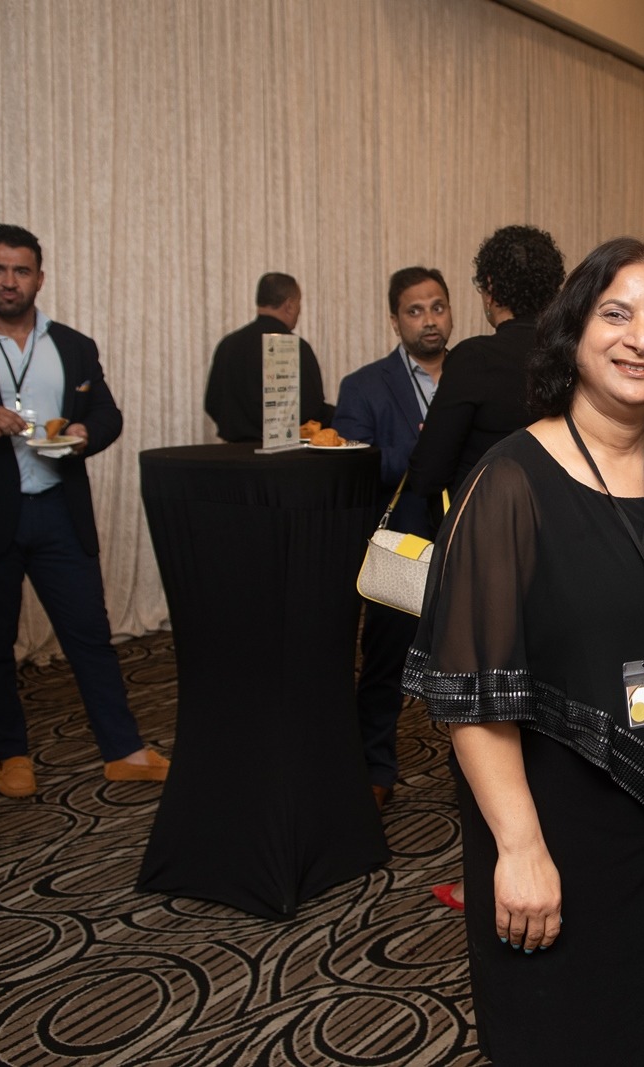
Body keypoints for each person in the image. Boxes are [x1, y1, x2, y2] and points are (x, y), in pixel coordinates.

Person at [404, 236, 644, 1067]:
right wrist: (520, 849)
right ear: (574, 331)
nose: (641, 339)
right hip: (553, 828)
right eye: (616, 314)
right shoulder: (511, 481)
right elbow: (472, 695)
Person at [0, 224, 168, 796]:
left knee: (91, 635)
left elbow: (107, 414)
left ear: (40, 277)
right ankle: (9, 754)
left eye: (21, 270)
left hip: (59, 508)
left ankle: (124, 750)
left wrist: (86, 433)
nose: (9, 281)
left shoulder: (74, 345)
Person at [333, 266, 453, 813]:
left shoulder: (472, 373)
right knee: (386, 662)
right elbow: (354, 466)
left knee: (474, 661)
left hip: (468, 539)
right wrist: (427, 448)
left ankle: (477, 772)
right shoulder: (363, 386)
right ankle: (374, 767)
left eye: (437, 307)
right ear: (394, 320)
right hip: (402, 548)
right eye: (415, 310)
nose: (429, 320)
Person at [404, 225, 564, 518]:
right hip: (560, 523)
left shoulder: (475, 359)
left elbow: (427, 475)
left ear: (490, 287)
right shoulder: (574, 355)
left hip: (488, 527)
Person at [203, 272, 333, 442]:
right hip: (281, 454)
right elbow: (312, 411)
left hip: (232, 452)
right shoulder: (295, 347)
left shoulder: (228, 344)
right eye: (299, 303)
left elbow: (212, 403)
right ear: (289, 305)